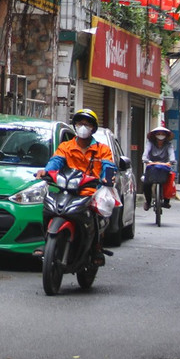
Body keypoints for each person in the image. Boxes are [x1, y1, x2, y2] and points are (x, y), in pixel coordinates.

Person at [38, 108, 116, 265]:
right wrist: (46, 171)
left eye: (87, 124)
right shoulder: (66, 147)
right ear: (75, 126)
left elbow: (108, 166)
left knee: (97, 214)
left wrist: (107, 178)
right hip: (66, 190)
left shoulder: (102, 149)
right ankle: (46, 241)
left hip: (90, 192)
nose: (83, 127)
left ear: (93, 128)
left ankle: (96, 248)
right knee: (48, 209)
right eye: (80, 123)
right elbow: (55, 162)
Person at [142, 126, 178, 210]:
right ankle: (148, 202)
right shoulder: (150, 143)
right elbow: (145, 154)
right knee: (146, 183)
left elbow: (171, 155)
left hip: (164, 167)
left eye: (162, 134)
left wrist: (171, 161)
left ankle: (166, 201)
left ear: (166, 136)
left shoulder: (169, 145)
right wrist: (146, 160)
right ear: (154, 135)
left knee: (170, 181)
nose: (160, 135)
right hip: (152, 167)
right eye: (158, 134)